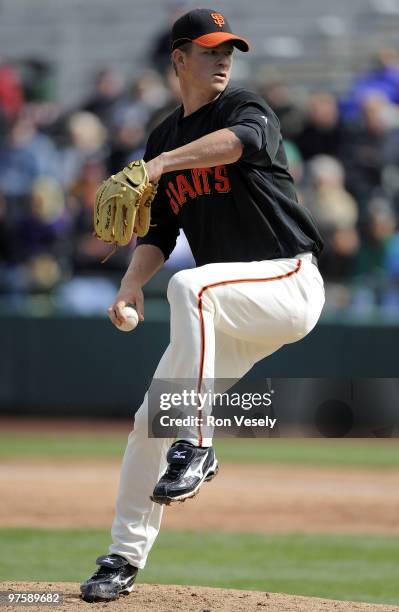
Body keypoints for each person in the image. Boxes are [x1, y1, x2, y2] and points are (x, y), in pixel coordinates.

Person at [80, 8, 325, 603]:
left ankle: (200, 442)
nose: (222, 60)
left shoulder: (245, 107)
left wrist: (161, 165)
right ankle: (121, 559)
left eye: (229, 51)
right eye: (210, 50)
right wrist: (129, 285)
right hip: (230, 309)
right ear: (179, 60)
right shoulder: (163, 135)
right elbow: (160, 231)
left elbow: (238, 146)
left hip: (286, 279)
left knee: (191, 287)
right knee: (149, 423)